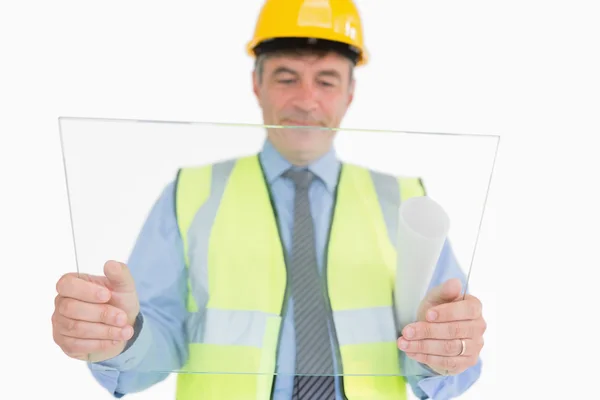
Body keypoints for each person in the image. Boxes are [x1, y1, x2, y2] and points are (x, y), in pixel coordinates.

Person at [52, 1, 486, 399]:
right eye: (286, 77)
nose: (306, 99)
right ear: (256, 84)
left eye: (326, 80)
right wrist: (121, 334)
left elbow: (441, 362)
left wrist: (445, 348)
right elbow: (157, 345)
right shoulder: (190, 193)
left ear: (350, 93)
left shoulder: (407, 204)